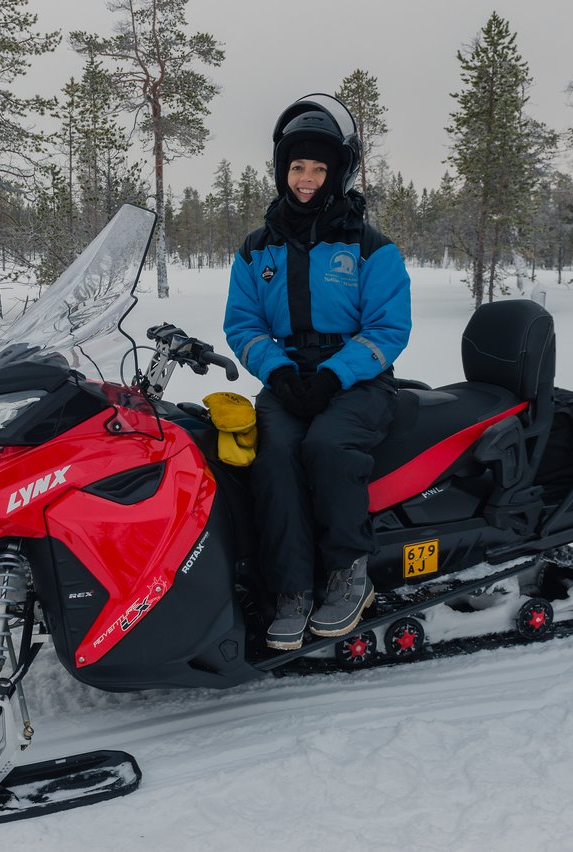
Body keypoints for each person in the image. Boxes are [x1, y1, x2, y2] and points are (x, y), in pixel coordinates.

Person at [224, 94, 412, 650]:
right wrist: (277, 371)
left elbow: (387, 330)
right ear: (283, 171)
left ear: (338, 173)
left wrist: (334, 375)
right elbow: (243, 323)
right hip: (286, 374)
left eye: (318, 168)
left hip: (358, 377)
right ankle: (290, 589)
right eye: (297, 167)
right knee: (274, 453)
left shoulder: (371, 248)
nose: (306, 179)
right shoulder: (258, 248)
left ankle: (348, 572)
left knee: (328, 446)